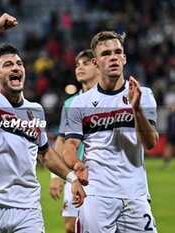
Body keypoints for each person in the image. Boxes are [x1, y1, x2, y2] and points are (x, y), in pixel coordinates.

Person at [0, 13, 86, 233]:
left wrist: (71, 177)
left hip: (27, 208)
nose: (16, 68)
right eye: (8, 65)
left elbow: (45, 153)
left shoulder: (35, 110)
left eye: (19, 64)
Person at [63, 31, 159, 232]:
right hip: (96, 194)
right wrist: (77, 164)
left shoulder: (144, 95)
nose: (113, 57)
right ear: (96, 63)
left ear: (124, 58)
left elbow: (150, 143)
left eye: (117, 52)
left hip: (135, 192)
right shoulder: (81, 103)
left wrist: (137, 109)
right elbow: (70, 146)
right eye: (106, 53)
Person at [49, 49, 99, 233]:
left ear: (97, 66)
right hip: (75, 172)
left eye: (85, 63)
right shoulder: (70, 103)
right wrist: (56, 176)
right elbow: (61, 139)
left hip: (100, 172)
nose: (80, 67)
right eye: (77, 65)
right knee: (70, 226)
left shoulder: (106, 100)